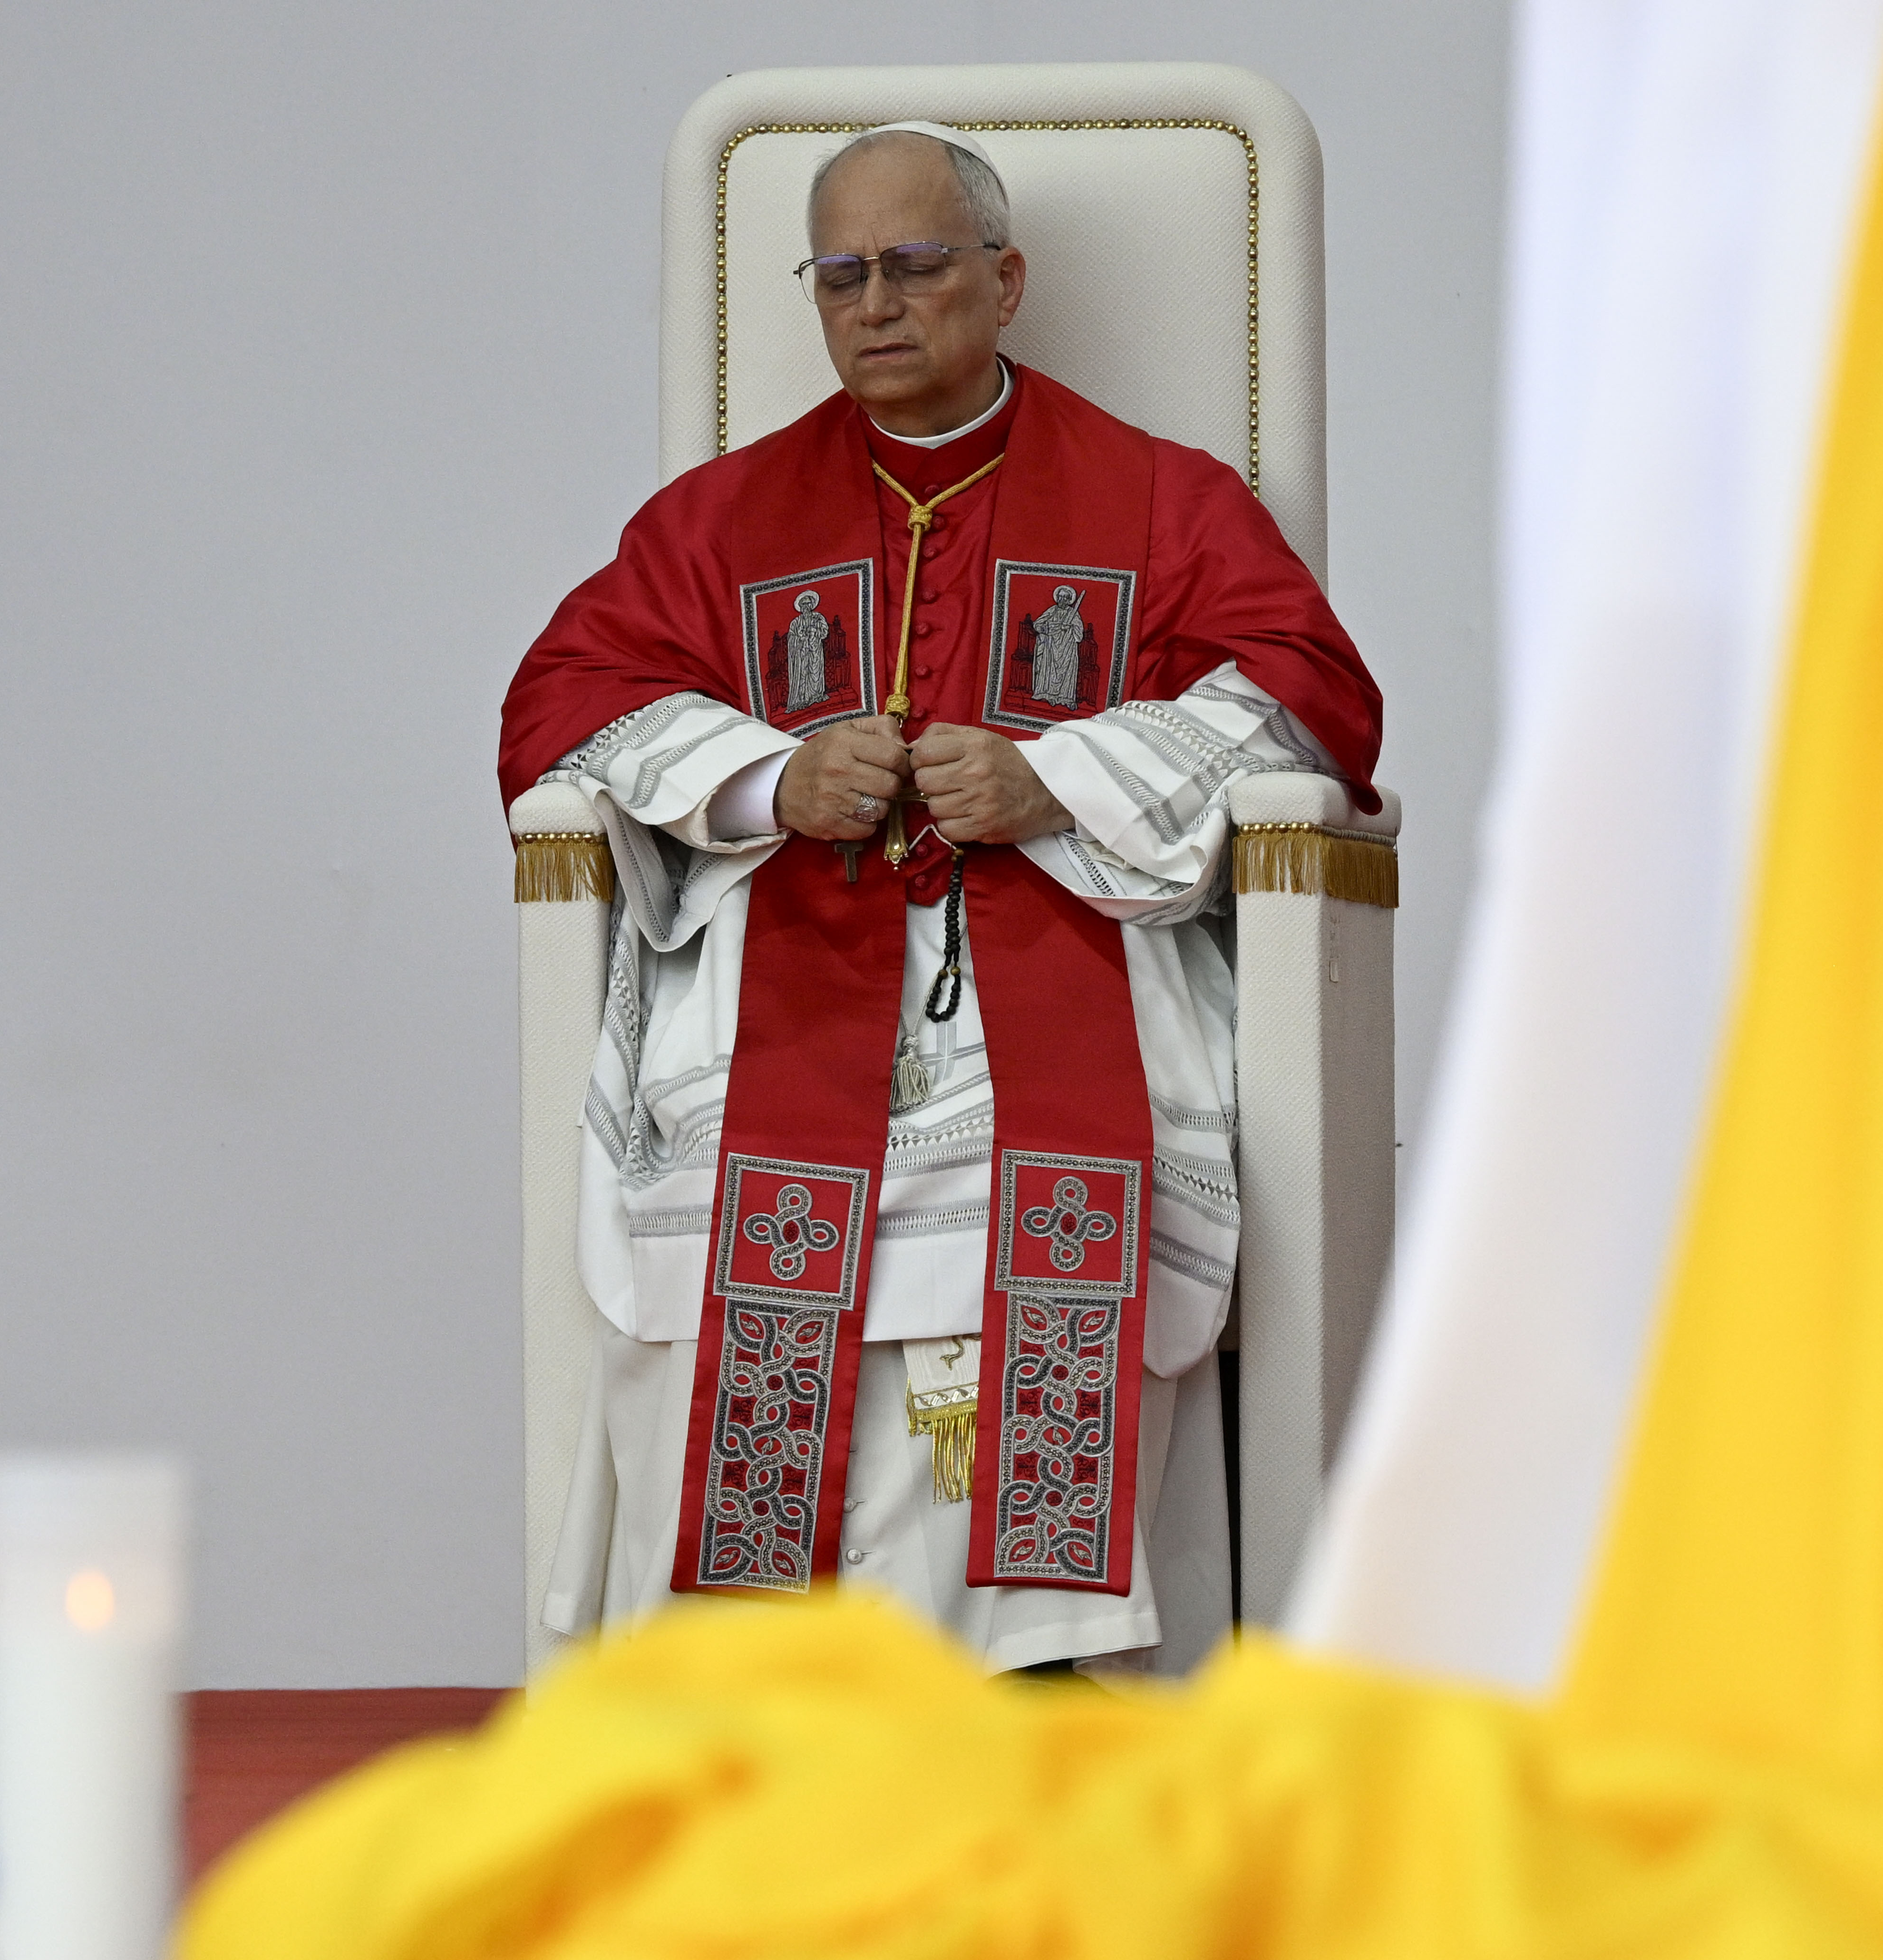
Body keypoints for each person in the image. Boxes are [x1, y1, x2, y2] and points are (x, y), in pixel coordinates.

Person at [501, 124, 1381, 1676]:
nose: (877, 305)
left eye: (915, 265)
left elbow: (1313, 696)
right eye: (841, 274)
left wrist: (1061, 780)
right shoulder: (724, 521)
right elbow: (562, 698)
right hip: (788, 977)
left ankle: (1041, 1680)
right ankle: (757, 1690)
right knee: (730, 1206)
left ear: (1006, 279)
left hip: (1070, 963)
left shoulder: (1157, 500)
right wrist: (771, 778)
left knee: (1051, 1198)